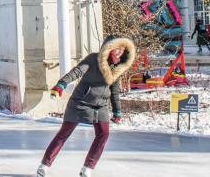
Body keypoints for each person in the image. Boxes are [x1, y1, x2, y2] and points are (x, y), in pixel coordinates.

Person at [38, 36, 136, 177]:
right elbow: (77, 71)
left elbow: (114, 91)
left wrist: (117, 111)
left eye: (122, 49)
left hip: (100, 105)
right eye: (117, 48)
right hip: (80, 102)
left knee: (104, 133)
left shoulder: (117, 67)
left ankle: (88, 168)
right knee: (64, 133)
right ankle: (44, 165)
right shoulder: (93, 59)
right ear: (109, 47)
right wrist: (61, 84)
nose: (120, 52)